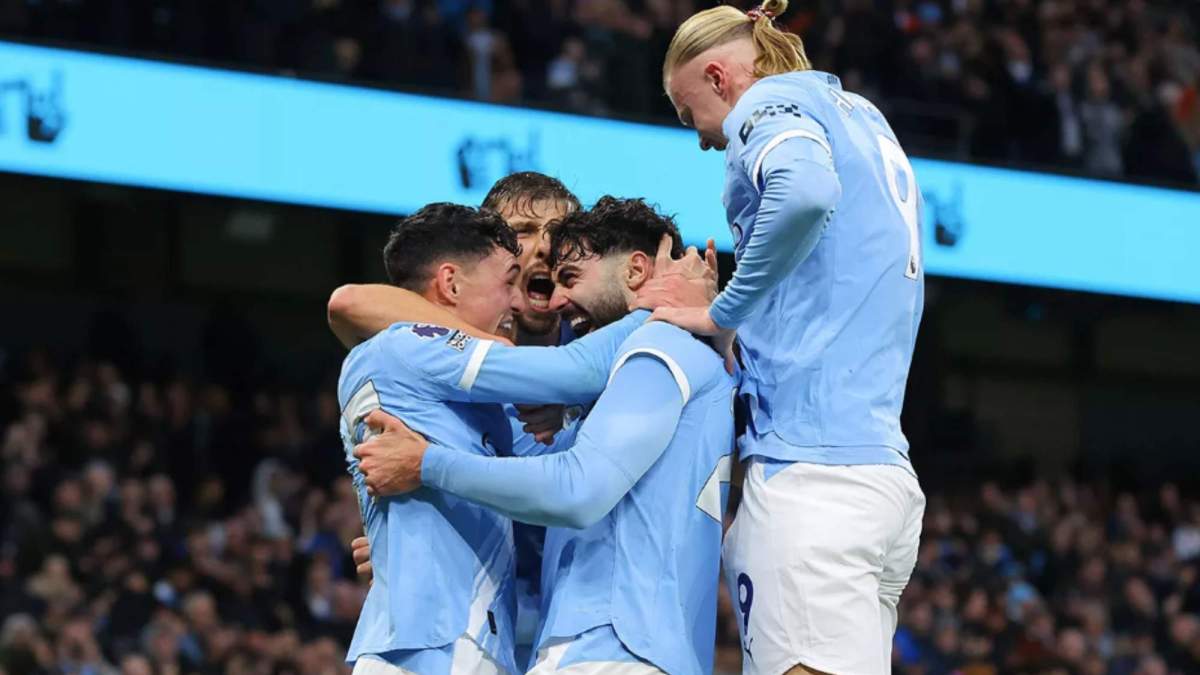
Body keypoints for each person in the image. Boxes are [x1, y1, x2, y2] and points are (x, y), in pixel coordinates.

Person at [655, 1, 927, 673]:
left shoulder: (766, 107)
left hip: (813, 475)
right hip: (879, 472)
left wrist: (723, 313)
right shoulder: (860, 115)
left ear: (720, 78)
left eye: (692, 116)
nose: (701, 139)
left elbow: (803, 190)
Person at [352, 198, 734, 675]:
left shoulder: (657, 347)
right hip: (619, 649)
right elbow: (346, 302)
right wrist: (410, 531)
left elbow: (572, 487)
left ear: (638, 271)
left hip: (608, 652)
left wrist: (426, 466)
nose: (550, 300)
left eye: (570, 277)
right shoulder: (638, 388)